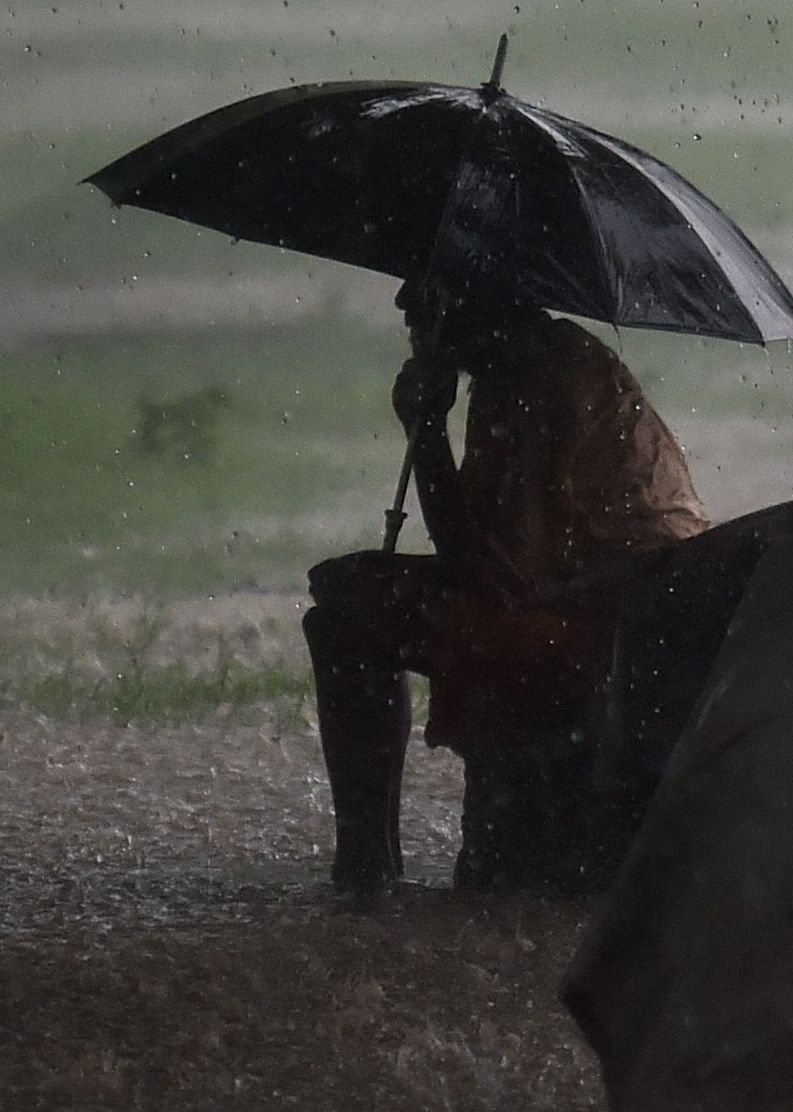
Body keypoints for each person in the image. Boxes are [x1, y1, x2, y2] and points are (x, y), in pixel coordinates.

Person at [302, 281, 711, 892]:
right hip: (571, 600)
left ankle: (366, 872)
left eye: (429, 286)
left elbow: (497, 575)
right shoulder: (514, 368)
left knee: (347, 621)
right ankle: (368, 865)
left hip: (606, 627)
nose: (407, 304)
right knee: (344, 596)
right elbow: (487, 553)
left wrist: (429, 439)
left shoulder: (547, 376)